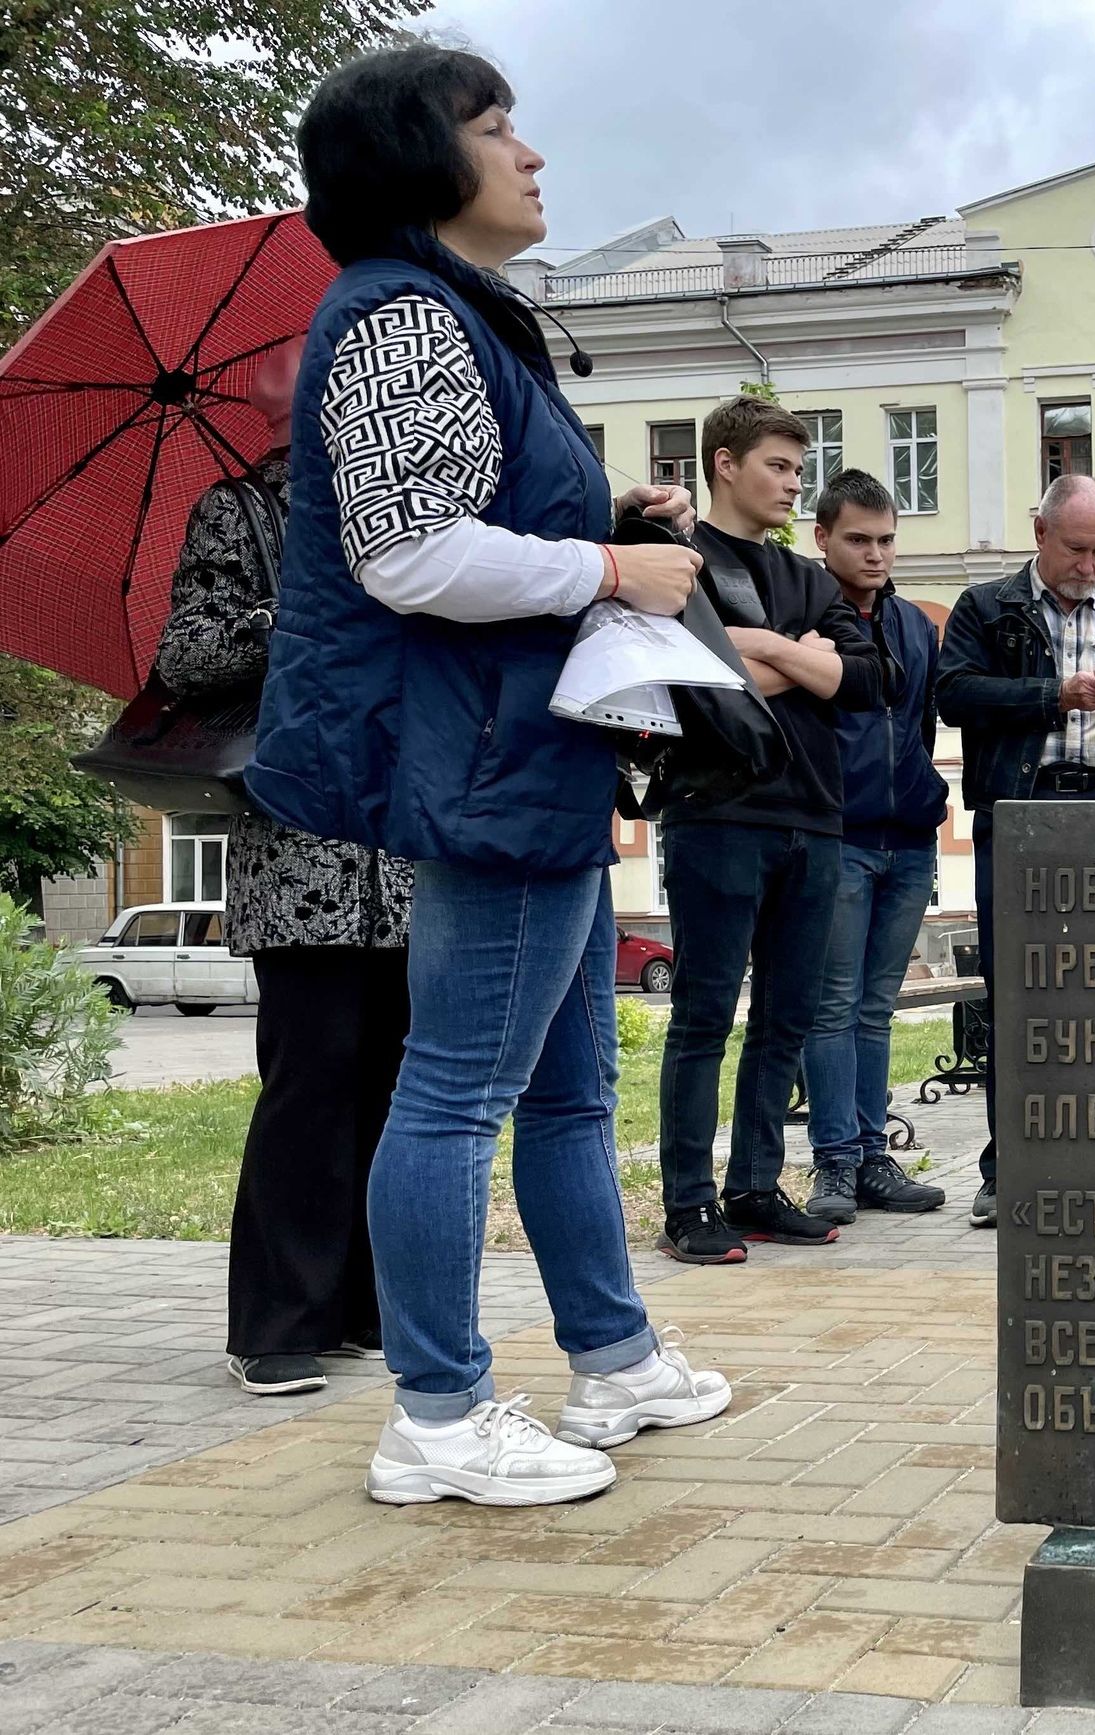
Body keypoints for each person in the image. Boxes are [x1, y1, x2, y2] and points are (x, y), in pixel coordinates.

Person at [248, 44, 731, 1504]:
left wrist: (607, 512)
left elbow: (476, 517)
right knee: (456, 1090)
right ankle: (439, 1413)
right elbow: (410, 552)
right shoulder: (403, 314)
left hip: (534, 751)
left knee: (571, 1088)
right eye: (496, 126)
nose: (531, 153)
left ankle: (613, 1353)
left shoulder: (467, 314)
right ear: (415, 159)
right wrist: (609, 559)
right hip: (486, 759)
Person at [155, 338, 415, 1399]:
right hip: (297, 852)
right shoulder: (236, 513)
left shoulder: (396, 524)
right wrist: (298, 611)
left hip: (399, 848)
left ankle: (356, 1304)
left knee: (390, 1085)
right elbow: (187, 652)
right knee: (309, 1084)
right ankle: (274, 1319)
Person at [655, 397, 892, 1263]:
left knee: (786, 1019)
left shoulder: (811, 579)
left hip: (814, 819)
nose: (796, 483)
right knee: (704, 1015)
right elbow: (695, 677)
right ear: (725, 463)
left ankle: (754, 1186)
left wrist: (763, 645)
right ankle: (687, 1203)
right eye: (779, 467)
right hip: (716, 814)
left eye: (799, 469)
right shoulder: (679, 561)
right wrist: (803, 658)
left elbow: (864, 680)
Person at [937, 473, 1095, 1227]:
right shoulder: (986, 608)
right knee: (1018, 994)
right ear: (1040, 533)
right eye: (1077, 549)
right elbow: (953, 695)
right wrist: (1055, 695)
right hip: (1022, 809)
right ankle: (1007, 1169)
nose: (1091, 567)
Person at [801, 468, 948, 1223]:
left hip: (910, 840)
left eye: (886, 539)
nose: (875, 553)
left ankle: (869, 1156)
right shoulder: (806, 615)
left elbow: (917, 729)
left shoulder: (917, 626)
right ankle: (834, 1163)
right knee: (831, 1007)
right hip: (838, 837)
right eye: (858, 539)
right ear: (821, 537)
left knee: (876, 1010)